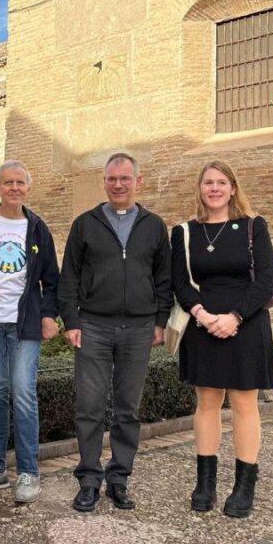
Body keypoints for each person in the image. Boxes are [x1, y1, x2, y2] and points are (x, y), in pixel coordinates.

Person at [59, 152, 172, 513]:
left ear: (138, 182)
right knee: (89, 407)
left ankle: (119, 478)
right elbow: (69, 277)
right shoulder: (85, 224)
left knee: (128, 409)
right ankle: (89, 480)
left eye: (125, 178)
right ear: (104, 182)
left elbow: (164, 278)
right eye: (112, 179)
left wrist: (160, 320)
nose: (118, 185)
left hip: (138, 328)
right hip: (93, 326)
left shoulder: (154, 226)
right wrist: (71, 322)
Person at [171, 160, 273, 518]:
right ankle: (205, 483)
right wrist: (202, 315)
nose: (214, 188)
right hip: (203, 325)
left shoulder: (254, 226)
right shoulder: (185, 232)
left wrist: (235, 317)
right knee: (207, 403)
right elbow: (180, 283)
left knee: (245, 404)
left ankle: (244, 487)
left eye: (221, 182)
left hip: (246, 324)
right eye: (208, 183)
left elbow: (266, 280)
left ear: (233, 188)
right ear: (199, 189)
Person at [0, 161, 59, 503]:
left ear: (28, 188)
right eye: (8, 182)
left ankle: (29, 471)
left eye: (20, 182)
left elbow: (52, 278)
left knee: (23, 391)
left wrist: (49, 315)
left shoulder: (37, 228)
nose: (14, 188)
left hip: (25, 322)